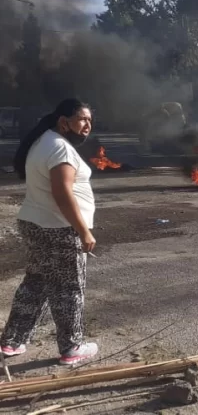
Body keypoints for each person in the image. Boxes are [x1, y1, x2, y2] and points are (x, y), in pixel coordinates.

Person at [1, 99, 98, 365]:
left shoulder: (45, 141)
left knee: (37, 283)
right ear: (63, 121)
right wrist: (83, 231)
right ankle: (72, 347)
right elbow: (62, 193)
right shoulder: (59, 148)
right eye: (81, 119)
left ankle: (12, 341)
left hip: (37, 224)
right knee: (69, 289)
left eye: (89, 120)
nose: (87, 125)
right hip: (59, 229)